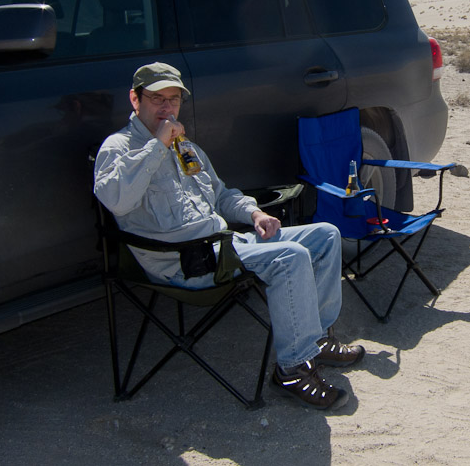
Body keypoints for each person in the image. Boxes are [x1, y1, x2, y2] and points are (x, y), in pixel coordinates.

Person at [93, 62, 363, 411]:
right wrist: (158, 146)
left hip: (224, 244)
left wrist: (255, 214)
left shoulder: (184, 145)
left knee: (325, 235)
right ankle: (292, 371)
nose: (167, 108)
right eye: (156, 98)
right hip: (184, 261)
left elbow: (221, 195)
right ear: (135, 99)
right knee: (290, 257)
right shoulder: (118, 148)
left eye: (173, 100)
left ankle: (317, 341)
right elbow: (116, 199)